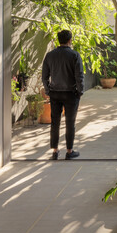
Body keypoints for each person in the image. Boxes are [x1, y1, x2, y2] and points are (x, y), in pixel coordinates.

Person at [42, 29, 84, 160]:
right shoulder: (74, 55)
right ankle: (69, 151)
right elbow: (79, 76)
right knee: (70, 122)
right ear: (70, 40)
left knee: (55, 123)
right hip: (71, 93)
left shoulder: (50, 55)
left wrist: (48, 90)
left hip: (55, 93)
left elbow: (44, 76)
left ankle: (55, 151)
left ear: (59, 40)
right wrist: (80, 91)